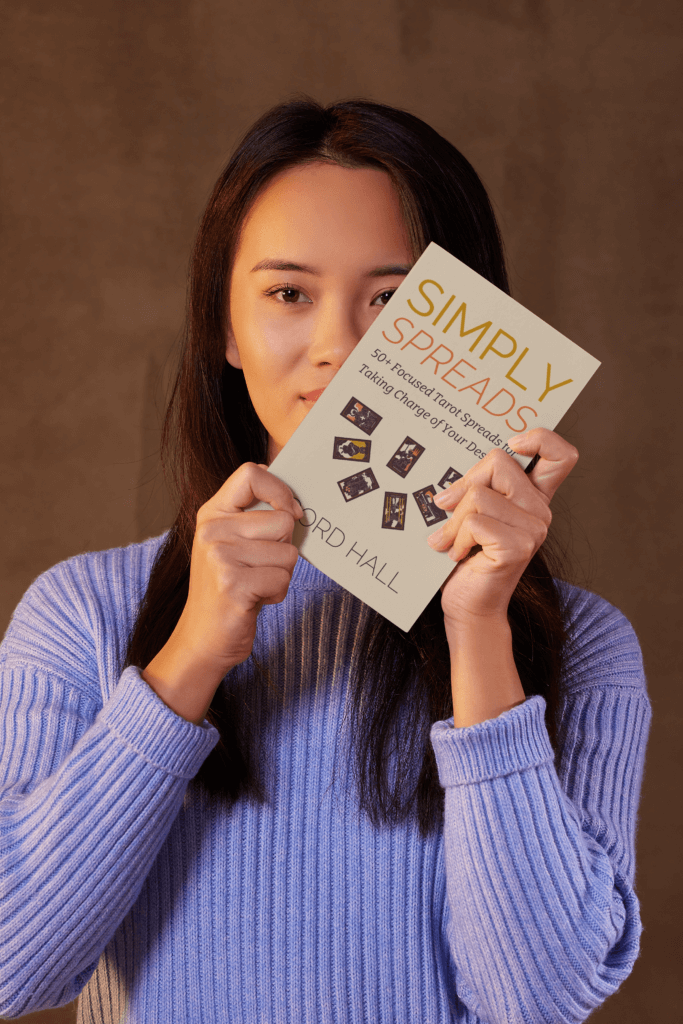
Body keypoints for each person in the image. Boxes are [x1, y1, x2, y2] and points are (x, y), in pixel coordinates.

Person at [0, 98, 650, 1024]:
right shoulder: (83, 613)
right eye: (288, 294)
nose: (342, 346)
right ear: (224, 330)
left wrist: (477, 631)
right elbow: (12, 967)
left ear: (470, 328)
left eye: (391, 299)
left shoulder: (580, 641)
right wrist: (188, 657)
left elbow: (538, 999)